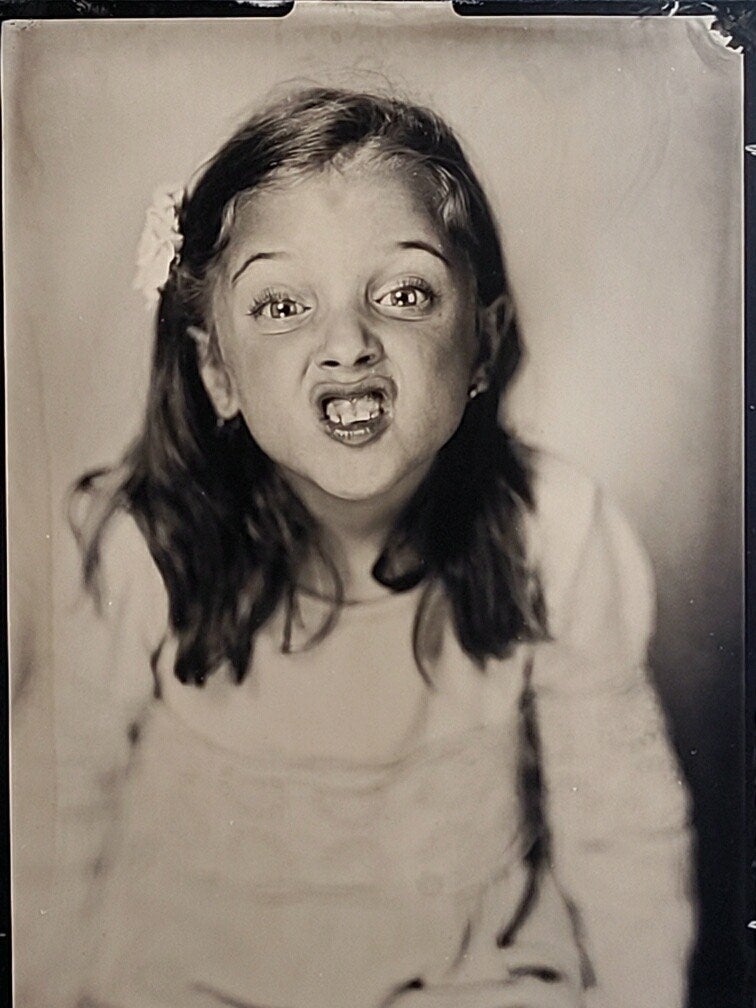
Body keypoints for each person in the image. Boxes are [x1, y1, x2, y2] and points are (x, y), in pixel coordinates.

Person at [43, 87, 693, 1007]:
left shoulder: (554, 528)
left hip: (473, 978)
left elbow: (622, 829)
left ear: (482, 345)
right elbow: (51, 830)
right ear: (217, 371)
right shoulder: (141, 546)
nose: (347, 343)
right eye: (281, 305)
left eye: (403, 292)